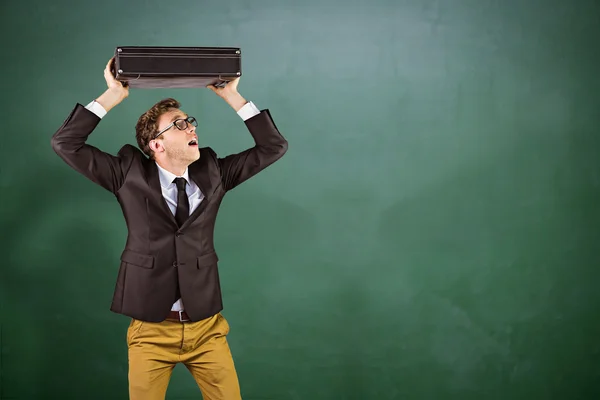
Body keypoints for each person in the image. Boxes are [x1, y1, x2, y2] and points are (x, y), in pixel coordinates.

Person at [51, 57, 288, 400]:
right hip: (150, 330)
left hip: (207, 328)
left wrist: (232, 97)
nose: (192, 128)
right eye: (179, 125)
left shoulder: (215, 173)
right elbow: (66, 144)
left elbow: (273, 147)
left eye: (190, 121)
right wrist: (112, 95)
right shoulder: (127, 174)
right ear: (156, 145)